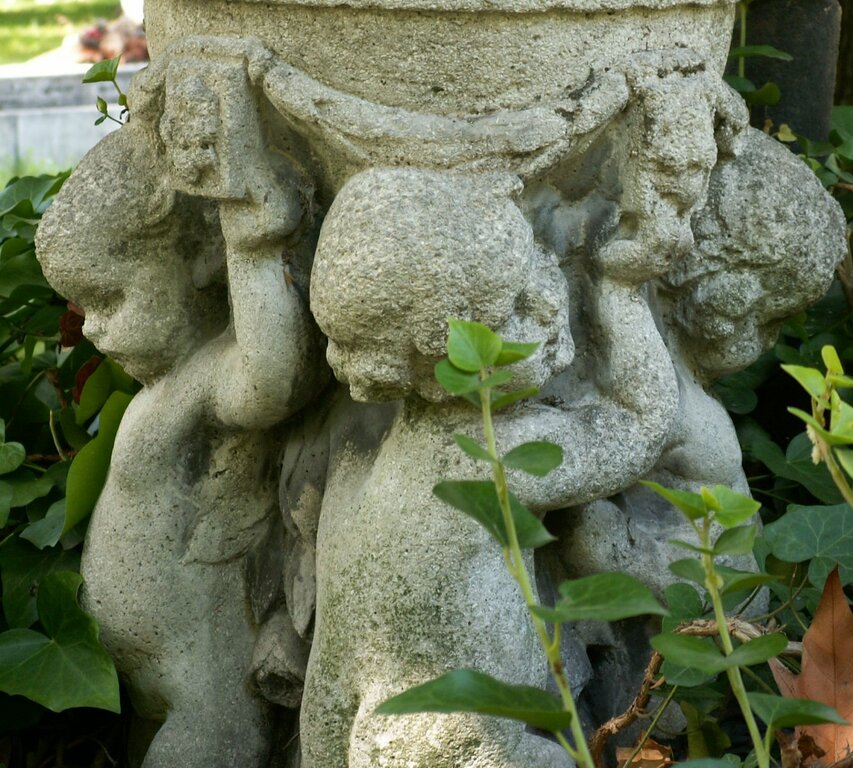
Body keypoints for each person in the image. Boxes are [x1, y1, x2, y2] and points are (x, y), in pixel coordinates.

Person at [300, 166, 679, 768]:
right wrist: (624, 290)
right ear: (443, 354)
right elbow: (639, 423)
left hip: (368, 732)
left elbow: (333, 673)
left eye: (536, 266)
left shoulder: (365, 470)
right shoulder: (495, 460)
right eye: (517, 308)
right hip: (466, 747)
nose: (550, 300)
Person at [36, 82, 322, 766]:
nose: (93, 328)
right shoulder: (164, 385)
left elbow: (273, 376)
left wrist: (250, 236)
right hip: (150, 682)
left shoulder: (206, 377)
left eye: (110, 299)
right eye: (84, 308)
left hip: (203, 681)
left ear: (197, 258)